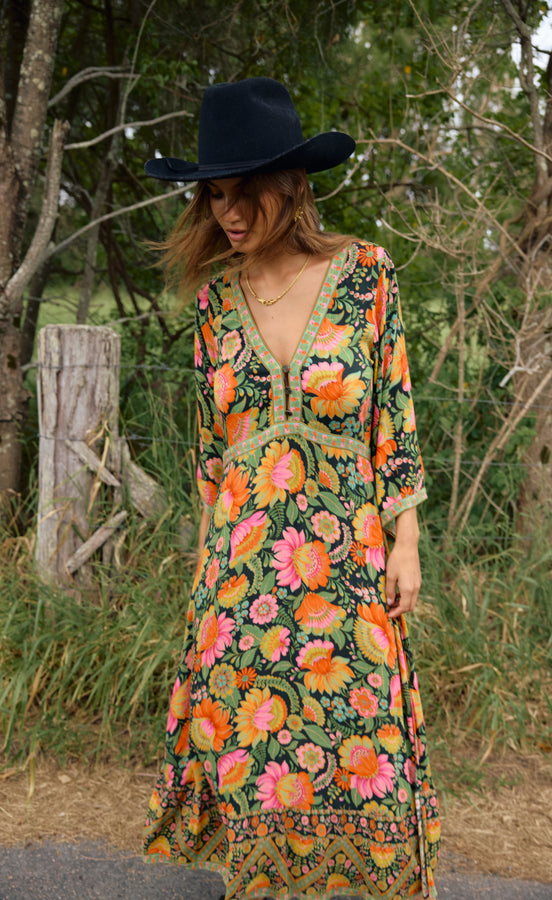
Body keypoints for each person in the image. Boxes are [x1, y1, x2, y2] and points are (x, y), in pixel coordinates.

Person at [142, 77, 440, 899]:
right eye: (214, 197)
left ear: (289, 184)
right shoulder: (214, 306)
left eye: (242, 194)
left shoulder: (366, 276)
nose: (226, 214)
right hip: (241, 587)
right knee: (256, 761)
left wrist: (406, 541)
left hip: (348, 568)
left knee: (363, 745)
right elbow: (212, 458)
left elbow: (396, 418)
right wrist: (206, 578)